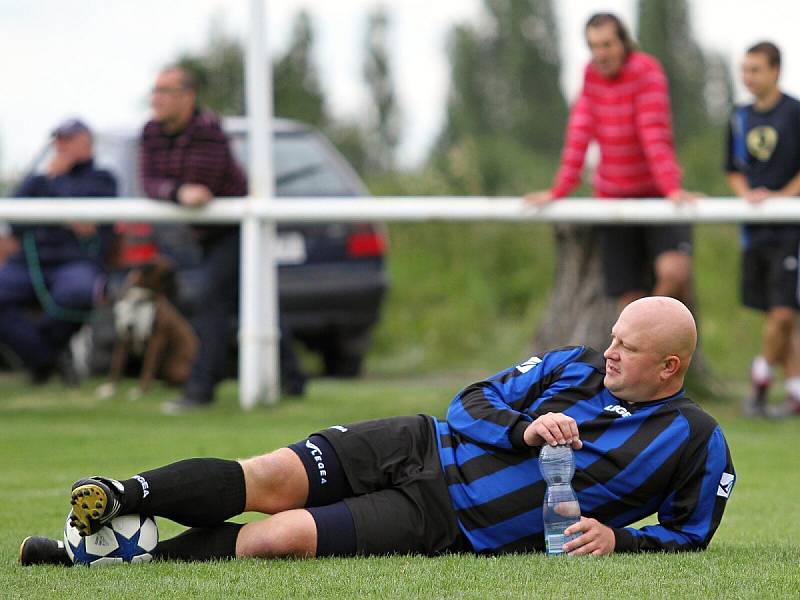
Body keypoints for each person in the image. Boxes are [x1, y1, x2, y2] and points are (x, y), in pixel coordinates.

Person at [20, 297, 735, 565]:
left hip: (445, 519)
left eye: (628, 349)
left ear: (669, 366)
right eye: (612, 337)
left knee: (283, 536)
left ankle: (112, 556)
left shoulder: (697, 441)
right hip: (418, 441)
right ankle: (120, 494)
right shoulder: (573, 365)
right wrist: (522, 430)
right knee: (268, 478)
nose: (609, 352)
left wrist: (621, 540)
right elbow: (471, 401)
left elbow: (692, 532)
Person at [139, 65, 306, 413]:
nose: (155, 98)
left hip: (237, 230)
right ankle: (294, 380)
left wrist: (179, 189)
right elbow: (151, 180)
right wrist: (177, 190)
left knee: (212, 300)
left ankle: (200, 389)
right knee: (256, 303)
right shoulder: (151, 132)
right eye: (154, 90)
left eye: (164, 91)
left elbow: (204, 185)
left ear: (187, 97)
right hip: (205, 234)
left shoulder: (209, 131)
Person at [525, 13, 698, 313]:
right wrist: (558, 191)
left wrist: (670, 188)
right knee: (626, 294)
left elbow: (653, 133)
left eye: (606, 44)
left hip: (658, 193)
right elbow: (579, 135)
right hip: (614, 197)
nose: (600, 54)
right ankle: (642, 346)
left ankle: (650, 333)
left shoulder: (647, 70)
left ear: (623, 43)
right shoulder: (590, 76)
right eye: (594, 46)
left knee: (675, 273)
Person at [0, 118, 117, 384]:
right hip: (29, 262)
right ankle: (46, 359)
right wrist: (50, 183)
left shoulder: (102, 179)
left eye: (67, 140)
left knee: (76, 292)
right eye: (57, 140)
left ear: (85, 143)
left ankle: (42, 358)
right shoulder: (38, 179)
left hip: (76, 261)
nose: (59, 146)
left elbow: (88, 219)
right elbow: (15, 221)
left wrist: (57, 181)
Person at [725, 42, 800, 418]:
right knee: (776, 313)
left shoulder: (795, 112)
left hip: (791, 229)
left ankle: (758, 383)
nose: (748, 77)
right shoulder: (739, 116)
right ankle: (796, 392)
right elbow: (733, 169)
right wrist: (749, 196)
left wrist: (781, 197)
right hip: (754, 232)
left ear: (775, 70)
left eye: (755, 69)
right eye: (744, 69)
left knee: (785, 313)